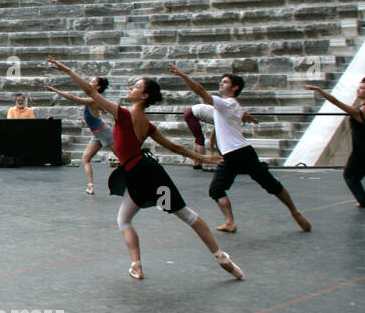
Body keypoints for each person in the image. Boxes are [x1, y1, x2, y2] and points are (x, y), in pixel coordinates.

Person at [47, 57, 243, 281]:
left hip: (139, 173)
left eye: (137, 86)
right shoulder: (145, 122)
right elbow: (174, 146)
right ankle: (217, 256)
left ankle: (139, 264)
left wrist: (68, 70)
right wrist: (201, 156)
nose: (132, 88)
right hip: (145, 173)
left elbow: (92, 94)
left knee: (127, 221)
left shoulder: (124, 115)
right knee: (181, 215)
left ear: (145, 96)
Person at [168, 65, 311, 233]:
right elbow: (235, 114)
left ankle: (291, 212)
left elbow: (200, 90)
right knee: (224, 188)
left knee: (263, 184)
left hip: (237, 153)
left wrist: (183, 75)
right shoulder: (233, 104)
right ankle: (232, 221)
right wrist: (246, 116)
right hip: (237, 153)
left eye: (225, 82)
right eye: (221, 81)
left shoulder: (225, 103)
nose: (221, 84)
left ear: (235, 88)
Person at [46, 77, 114, 195]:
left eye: (93, 82)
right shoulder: (95, 99)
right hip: (96, 134)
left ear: (98, 87)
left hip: (104, 132)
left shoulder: (93, 99)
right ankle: (91, 186)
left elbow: (73, 98)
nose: (90, 83)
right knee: (85, 159)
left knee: (124, 159)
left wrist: (56, 91)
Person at [306, 78, 365, 206]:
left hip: (361, 152)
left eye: (362, 88)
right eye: (358, 87)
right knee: (355, 176)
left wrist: (319, 90)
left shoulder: (359, 111)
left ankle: (363, 201)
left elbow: (336, 102)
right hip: (359, 149)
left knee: (350, 176)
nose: (358, 90)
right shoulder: (360, 107)